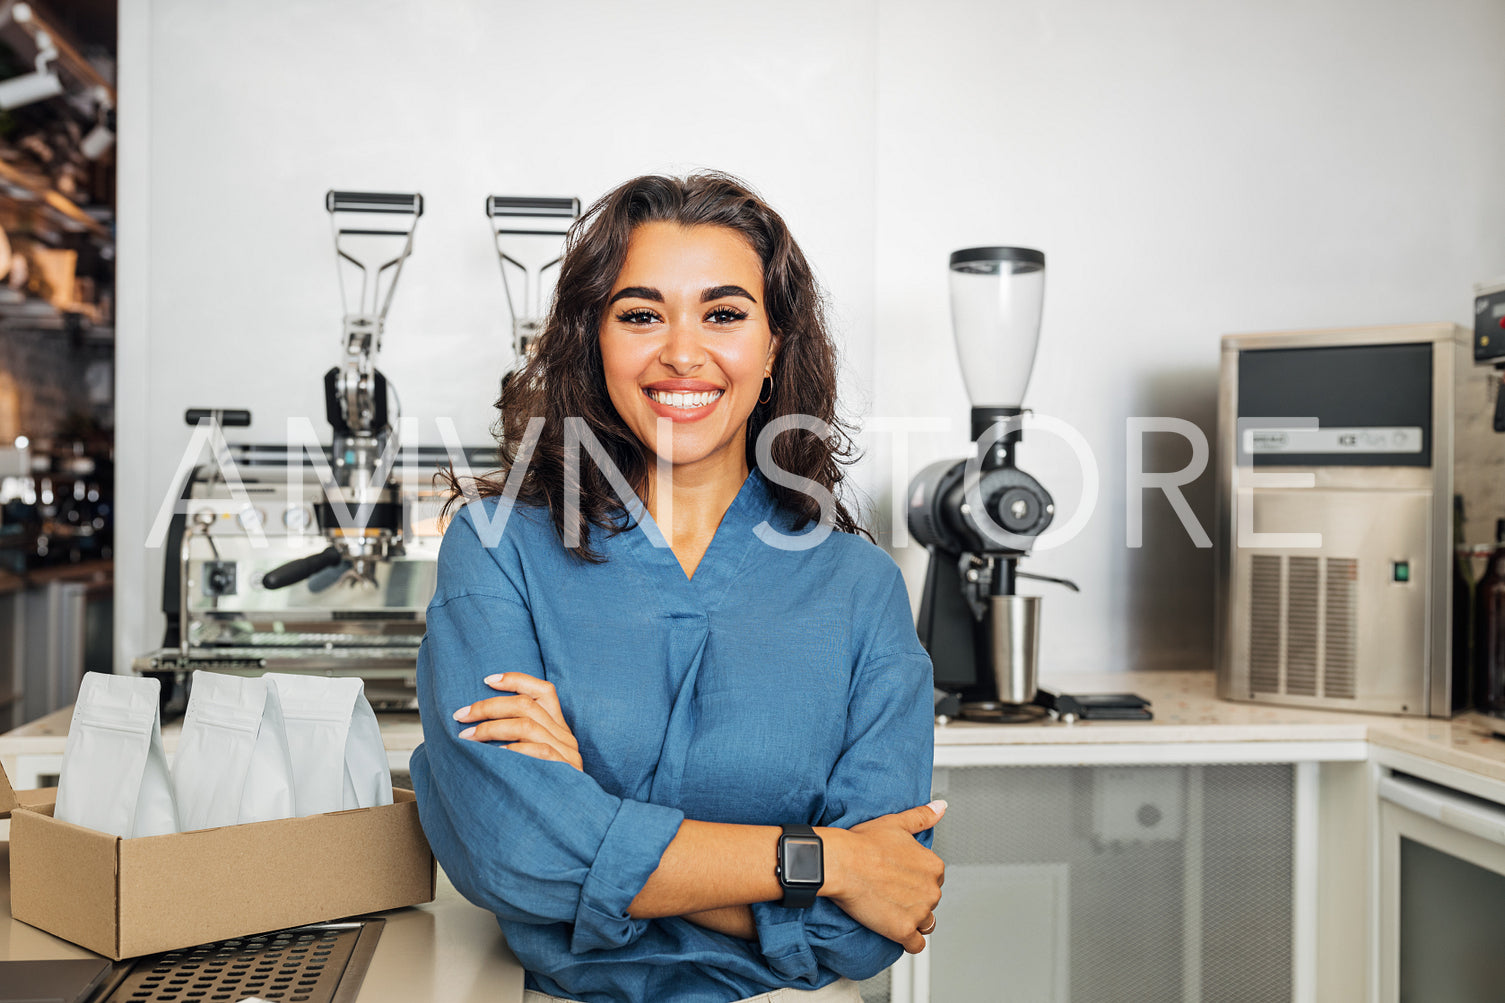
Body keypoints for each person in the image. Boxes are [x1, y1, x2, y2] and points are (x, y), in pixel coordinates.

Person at [410, 172, 943, 1003]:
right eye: (640, 314)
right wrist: (827, 863)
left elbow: (871, 918)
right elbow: (512, 851)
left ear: (773, 347)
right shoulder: (498, 549)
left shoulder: (859, 588)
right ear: (594, 340)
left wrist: (589, 814)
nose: (682, 351)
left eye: (723, 314)